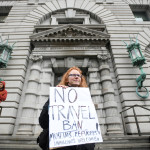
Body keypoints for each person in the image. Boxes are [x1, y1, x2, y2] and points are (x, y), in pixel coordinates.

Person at [38, 67, 95, 150]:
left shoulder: (85, 98)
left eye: (79, 75)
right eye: (73, 75)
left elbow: (91, 124)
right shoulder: (58, 94)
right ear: (67, 79)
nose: (77, 77)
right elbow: (43, 122)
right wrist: (54, 98)